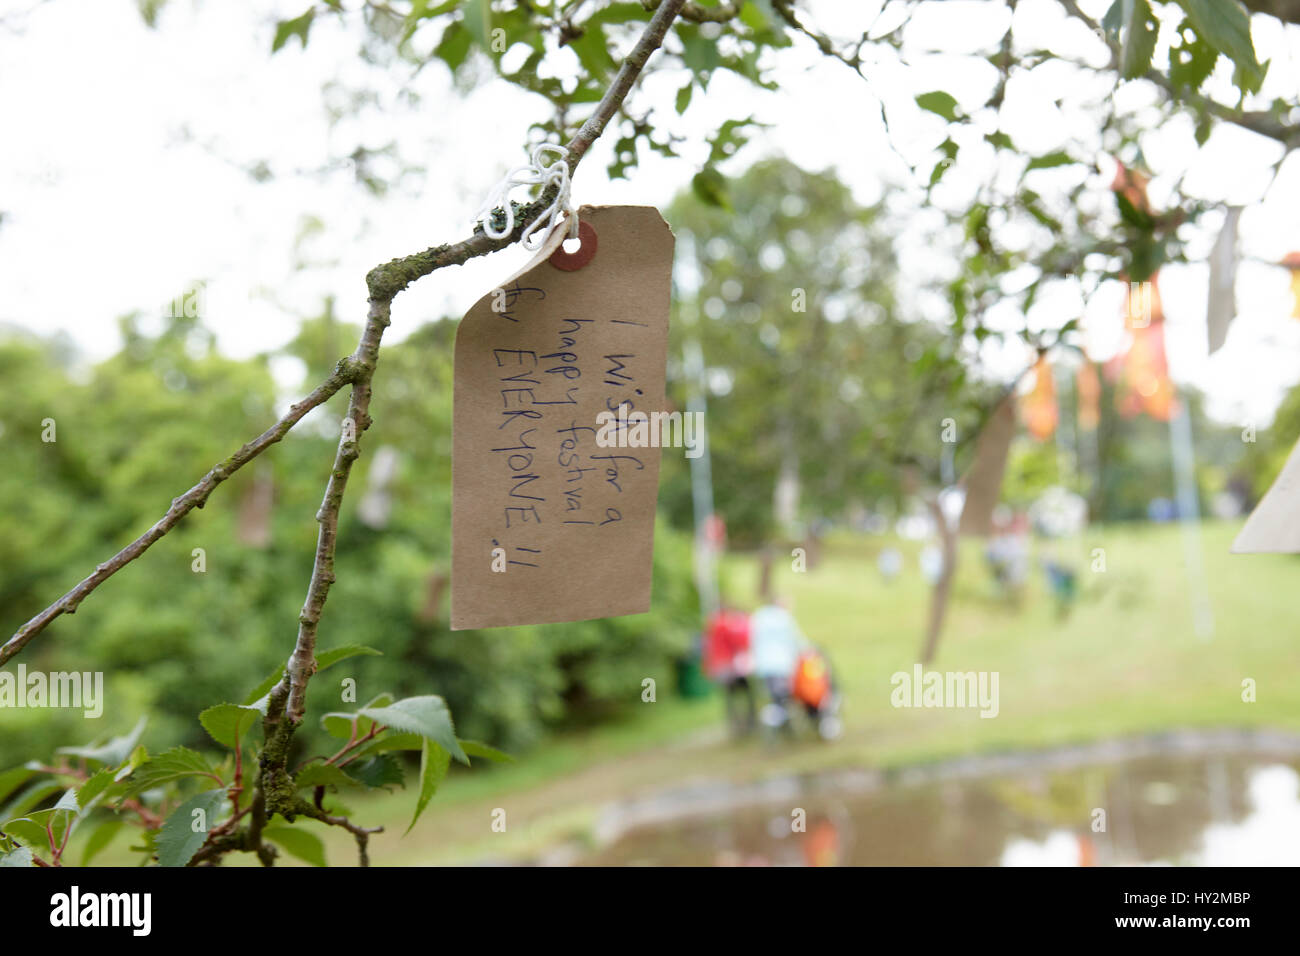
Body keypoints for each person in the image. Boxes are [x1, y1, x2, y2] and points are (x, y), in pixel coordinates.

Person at [750, 598, 804, 731]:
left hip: (764, 666)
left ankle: (779, 719)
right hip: (783, 665)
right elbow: (796, 640)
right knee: (784, 696)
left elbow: (752, 640)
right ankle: (783, 721)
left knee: (775, 696)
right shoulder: (784, 618)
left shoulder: (759, 617)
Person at [702, 606, 756, 736]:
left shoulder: (711, 626)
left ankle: (735, 724)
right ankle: (748, 723)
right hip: (729, 665)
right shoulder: (725, 625)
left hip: (719, 666)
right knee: (745, 692)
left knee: (730, 695)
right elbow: (737, 642)